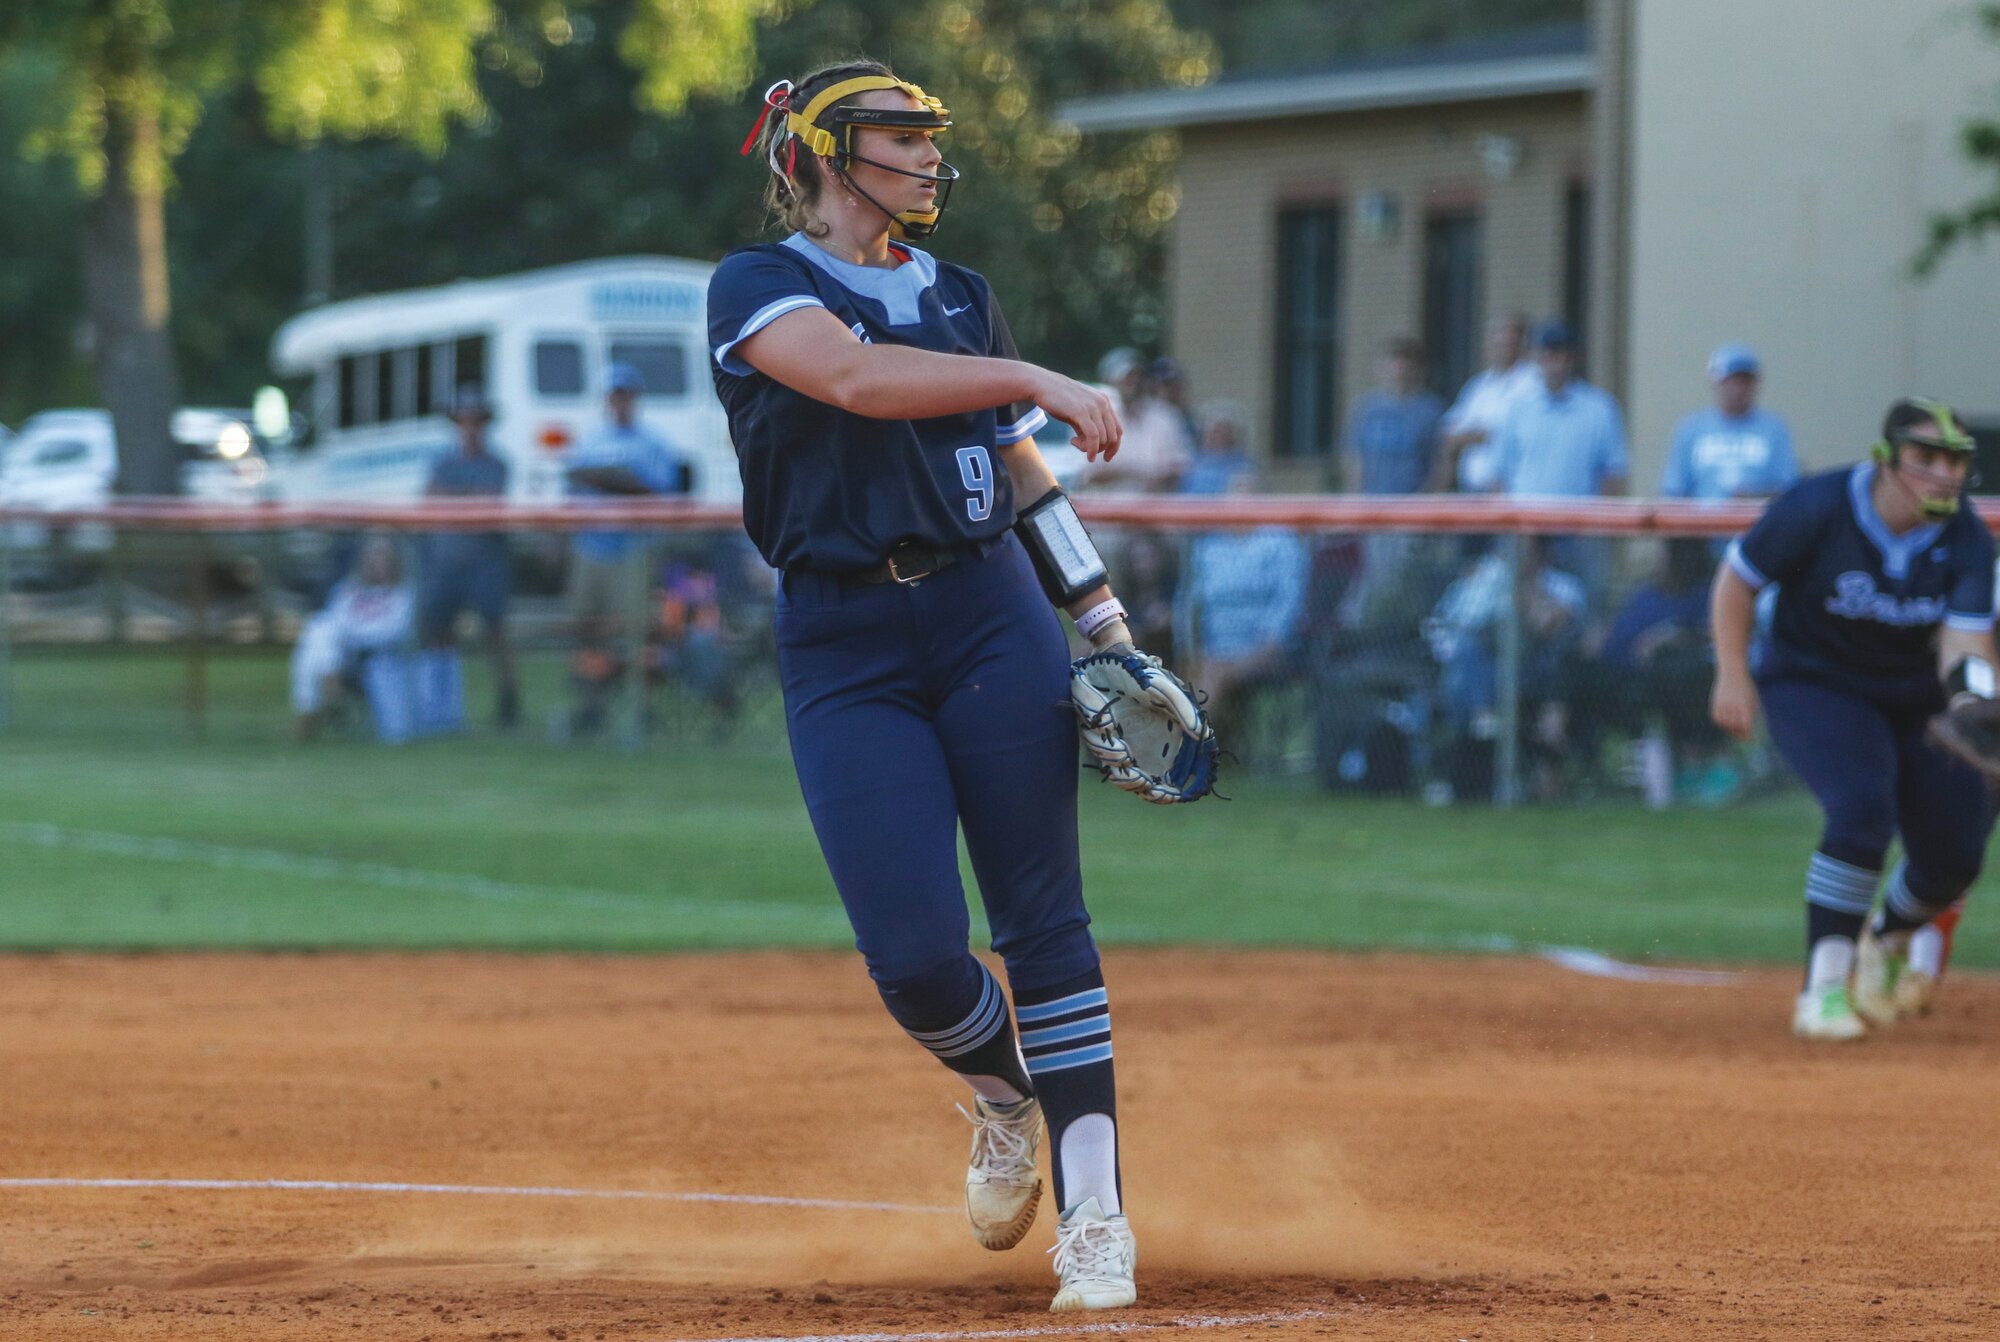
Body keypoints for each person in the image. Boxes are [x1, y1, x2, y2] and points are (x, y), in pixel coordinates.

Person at [708, 60, 1140, 1310]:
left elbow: (1018, 477)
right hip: (842, 637)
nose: (924, 157)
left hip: (987, 613)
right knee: (909, 955)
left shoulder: (959, 293)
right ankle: (1004, 1094)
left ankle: (1098, 1217)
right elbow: (854, 379)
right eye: (896, 138)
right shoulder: (759, 283)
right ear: (823, 156)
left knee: (1044, 923)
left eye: (923, 139)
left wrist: (1099, 618)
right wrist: (1031, 376)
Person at [1710, 397, 1997, 1041]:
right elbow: (1737, 581)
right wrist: (1732, 672)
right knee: (1861, 806)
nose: (1943, 474)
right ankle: (1824, 990)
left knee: (1956, 852)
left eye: (1953, 461)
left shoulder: (1966, 536)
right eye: (1925, 459)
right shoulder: (1818, 506)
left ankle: (1887, 936)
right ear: (1886, 461)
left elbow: (1966, 641)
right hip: (1815, 683)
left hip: (1916, 696)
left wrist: (1974, 700)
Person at [566, 361, 691, 736]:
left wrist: (614, 481)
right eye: (614, 395)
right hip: (591, 545)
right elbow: (573, 487)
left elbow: (661, 493)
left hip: (633, 548)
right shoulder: (590, 440)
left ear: (635, 399)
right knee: (587, 627)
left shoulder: (653, 443)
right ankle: (591, 705)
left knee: (636, 630)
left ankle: (639, 707)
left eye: (626, 395)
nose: (620, 402)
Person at [1174, 469, 1311, 739]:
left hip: (1266, 647)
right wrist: (1188, 648)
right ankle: (1194, 747)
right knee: (1193, 669)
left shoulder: (1280, 543)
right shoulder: (1209, 547)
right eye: (1233, 496)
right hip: (1213, 648)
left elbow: (1289, 602)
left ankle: (1182, 750)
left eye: (1248, 496)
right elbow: (1187, 602)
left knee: (1215, 672)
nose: (1238, 503)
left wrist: (1268, 644)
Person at [418, 385, 518, 731]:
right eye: (465, 419)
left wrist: (454, 499)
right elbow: (431, 499)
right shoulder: (442, 461)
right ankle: (441, 707)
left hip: (485, 559)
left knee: (496, 633)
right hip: (447, 558)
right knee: (438, 633)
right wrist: (464, 500)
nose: (470, 425)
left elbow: (489, 501)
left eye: (476, 419)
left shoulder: (497, 463)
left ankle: (508, 700)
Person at [1341, 338, 1445, 628]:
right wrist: (1356, 501)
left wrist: (1424, 506)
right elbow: (1355, 460)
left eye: (1404, 361)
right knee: (1374, 575)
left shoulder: (1429, 410)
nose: (1398, 368)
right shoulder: (1366, 408)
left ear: (1417, 368)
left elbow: (1439, 466)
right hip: (1373, 511)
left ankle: (1403, 633)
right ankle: (1361, 634)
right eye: (1392, 361)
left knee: (1401, 579)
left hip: (1410, 512)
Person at [290, 533, 416, 742]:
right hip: (343, 653)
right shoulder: (348, 589)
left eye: (383, 555)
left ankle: (312, 713)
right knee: (319, 630)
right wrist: (350, 638)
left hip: (377, 656)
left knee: (316, 645)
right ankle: (332, 695)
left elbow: (396, 630)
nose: (378, 561)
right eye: (373, 554)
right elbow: (336, 620)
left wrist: (355, 636)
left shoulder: (403, 594)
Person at [1661, 344, 1799, 502]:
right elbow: (1674, 492)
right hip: (1703, 524)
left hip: (1757, 524)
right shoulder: (1690, 429)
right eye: (1732, 381)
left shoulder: (1775, 430)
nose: (1739, 389)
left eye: (1745, 382)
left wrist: (1751, 496)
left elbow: (1789, 491)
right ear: (1716, 382)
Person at [1436, 312, 1536, 493]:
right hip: (1472, 489)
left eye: (1509, 342)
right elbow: (1449, 430)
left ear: (1522, 344)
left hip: (1511, 490)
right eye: (1497, 342)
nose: (1502, 348)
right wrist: (1476, 435)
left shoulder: (1533, 382)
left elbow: (1509, 432)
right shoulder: (1479, 385)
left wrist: (1473, 435)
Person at [1073, 346, 1190, 493]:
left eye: (1138, 375)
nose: (1133, 382)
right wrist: (1137, 472)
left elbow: (1179, 468)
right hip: (1106, 510)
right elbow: (1087, 474)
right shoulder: (1094, 417)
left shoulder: (1165, 416)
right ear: (1110, 381)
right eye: (1126, 377)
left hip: (1154, 510)